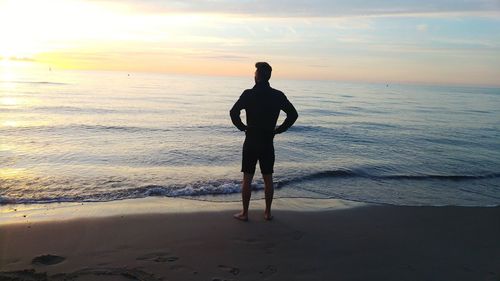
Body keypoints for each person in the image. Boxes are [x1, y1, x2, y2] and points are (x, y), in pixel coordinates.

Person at [230, 62, 298, 221]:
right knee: (268, 178)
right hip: (268, 141)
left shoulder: (248, 94)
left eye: (255, 73)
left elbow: (233, 112)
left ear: (257, 76)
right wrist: (279, 130)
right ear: (268, 76)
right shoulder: (278, 95)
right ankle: (267, 213)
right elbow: (293, 114)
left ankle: (245, 213)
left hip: (251, 140)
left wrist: (243, 127)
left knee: (247, 177)